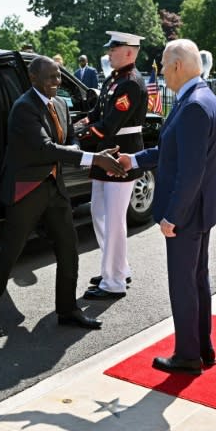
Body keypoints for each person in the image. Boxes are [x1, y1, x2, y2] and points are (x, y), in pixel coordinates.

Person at [0, 55, 128, 337]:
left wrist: (82, 150)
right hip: (26, 188)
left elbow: (69, 139)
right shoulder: (23, 108)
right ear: (33, 78)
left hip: (54, 188)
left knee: (69, 248)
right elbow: (45, 149)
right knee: (10, 252)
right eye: (50, 78)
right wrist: (95, 159)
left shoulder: (59, 104)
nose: (56, 83)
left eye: (58, 76)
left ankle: (67, 309)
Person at [118, 38, 216, 375]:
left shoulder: (193, 105)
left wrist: (172, 216)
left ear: (178, 65)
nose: (161, 72)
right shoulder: (202, 98)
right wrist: (133, 158)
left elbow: (190, 171)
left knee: (184, 284)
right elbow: (173, 153)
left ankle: (187, 355)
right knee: (197, 280)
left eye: (164, 65)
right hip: (202, 208)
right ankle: (203, 347)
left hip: (188, 213)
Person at [73, 31, 148, 300]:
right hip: (106, 156)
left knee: (114, 220)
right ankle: (115, 268)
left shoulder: (130, 83)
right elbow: (97, 114)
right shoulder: (114, 80)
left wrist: (78, 136)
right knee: (100, 214)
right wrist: (80, 123)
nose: (108, 53)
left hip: (120, 157)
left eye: (113, 49)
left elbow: (109, 125)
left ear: (129, 51)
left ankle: (114, 282)